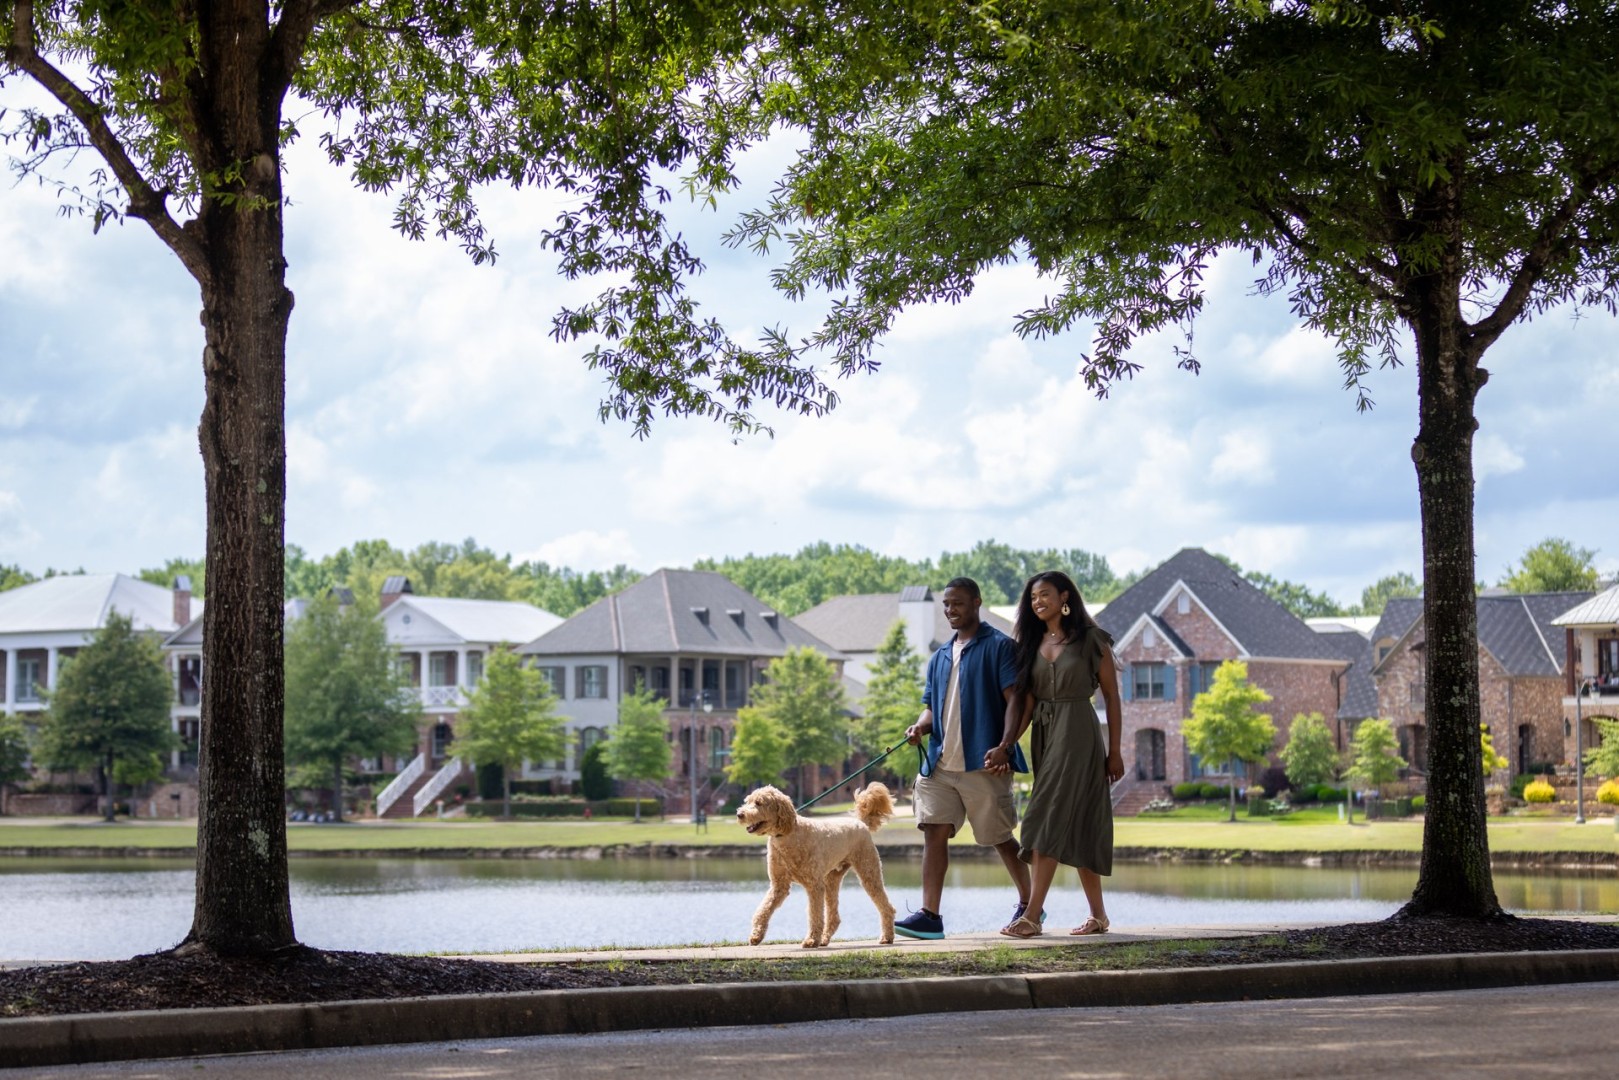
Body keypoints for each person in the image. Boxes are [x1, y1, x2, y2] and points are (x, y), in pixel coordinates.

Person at [895, 577, 1034, 939]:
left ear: (976, 603)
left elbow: (1015, 702)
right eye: (946, 604)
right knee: (934, 832)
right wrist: (919, 727)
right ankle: (930, 916)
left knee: (1000, 837)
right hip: (940, 764)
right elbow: (932, 708)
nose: (950, 610)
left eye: (957, 603)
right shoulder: (940, 655)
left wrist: (1006, 744)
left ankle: (1029, 905)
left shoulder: (1001, 647)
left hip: (984, 762)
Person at [994, 570, 1123, 938]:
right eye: (1033, 597)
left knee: (1043, 817)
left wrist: (1115, 751)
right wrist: (1007, 745)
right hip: (1045, 734)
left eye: (1045, 594)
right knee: (1080, 819)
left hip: (1078, 732)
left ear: (1065, 597)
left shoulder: (1091, 641)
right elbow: (1029, 702)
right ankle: (1098, 916)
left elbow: (1112, 696)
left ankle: (1032, 916)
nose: (1038, 602)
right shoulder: (1032, 643)